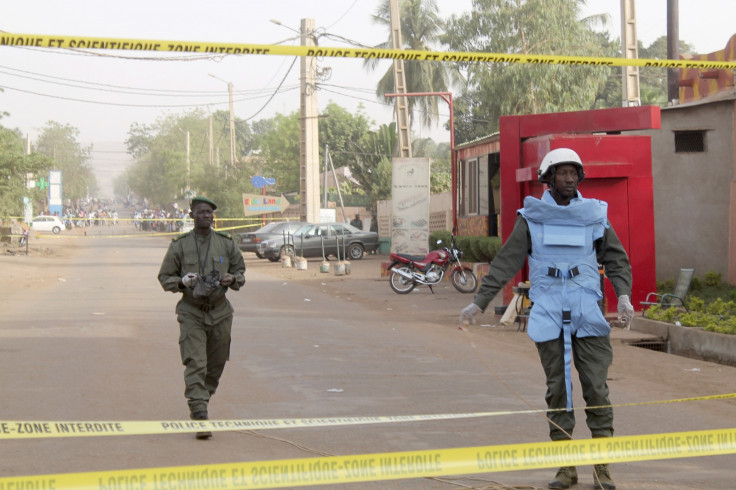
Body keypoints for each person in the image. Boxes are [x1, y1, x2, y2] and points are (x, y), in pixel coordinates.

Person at [460, 148, 634, 490]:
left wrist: (624, 296)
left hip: (588, 310)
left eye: (573, 173)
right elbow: (507, 261)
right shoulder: (532, 217)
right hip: (549, 310)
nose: (569, 178)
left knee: (596, 388)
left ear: (579, 177)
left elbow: (616, 260)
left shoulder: (594, 214)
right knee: (558, 390)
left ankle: (603, 468)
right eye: (561, 173)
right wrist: (479, 303)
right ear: (548, 178)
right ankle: (566, 468)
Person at [157, 196, 246, 440]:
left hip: (220, 311)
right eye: (201, 212)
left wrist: (232, 279)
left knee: (216, 365)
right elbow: (165, 277)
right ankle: (199, 414)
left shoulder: (226, 244)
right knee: (196, 363)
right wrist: (182, 282)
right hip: (191, 311)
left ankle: (202, 398)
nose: (206, 216)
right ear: (191, 215)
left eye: (209, 212)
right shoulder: (180, 245)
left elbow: (240, 271)